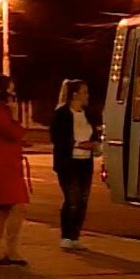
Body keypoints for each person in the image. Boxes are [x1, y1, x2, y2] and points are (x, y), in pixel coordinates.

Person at [0, 74, 30, 267]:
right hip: (3, 168)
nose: (14, 92)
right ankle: (11, 250)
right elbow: (15, 133)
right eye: (10, 88)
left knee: (4, 210)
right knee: (18, 206)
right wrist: (16, 116)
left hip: (6, 166)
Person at [50, 79, 99, 251]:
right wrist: (78, 144)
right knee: (72, 199)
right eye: (84, 92)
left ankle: (75, 236)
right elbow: (57, 138)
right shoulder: (62, 114)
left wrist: (94, 143)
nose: (87, 95)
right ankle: (66, 236)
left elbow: (95, 134)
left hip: (85, 162)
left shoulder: (88, 114)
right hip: (68, 163)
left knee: (83, 199)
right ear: (74, 94)